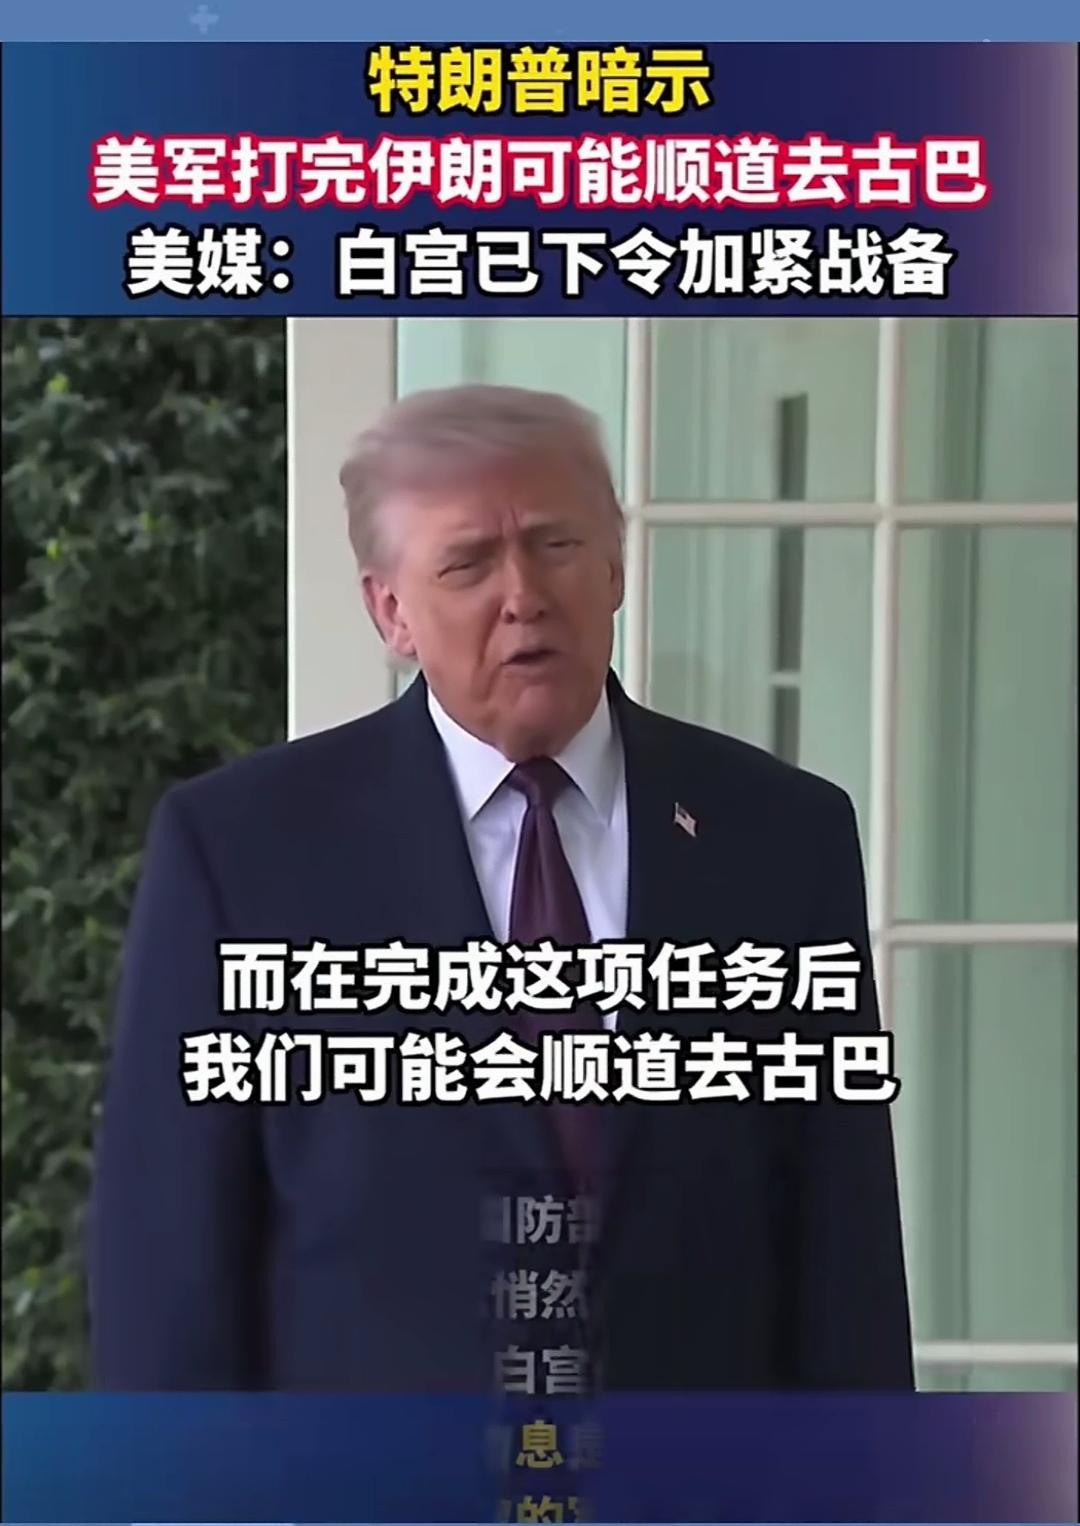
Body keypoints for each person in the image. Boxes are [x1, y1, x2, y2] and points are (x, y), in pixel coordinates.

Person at [88, 383, 914, 1391]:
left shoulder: (782, 835)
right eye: (469, 562)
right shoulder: (241, 851)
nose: (523, 594)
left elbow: (846, 1248)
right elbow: (167, 1276)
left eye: (556, 544)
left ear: (614, 566)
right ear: (391, 610)